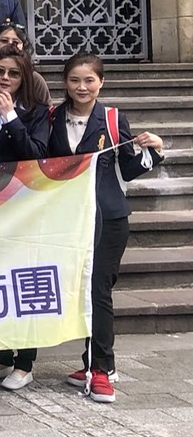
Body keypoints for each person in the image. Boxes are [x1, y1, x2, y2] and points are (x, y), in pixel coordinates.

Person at [48, 53, 164, 404]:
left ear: (101, 82)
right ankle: (89, 363)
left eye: (89, 80)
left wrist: (155, 150)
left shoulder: (113, 119)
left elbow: (127, 169)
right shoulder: (52, 117)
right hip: (66, 219)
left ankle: (101, 369)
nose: (81, 87)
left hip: (109, 218)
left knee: (98, 290)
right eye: (74, 80)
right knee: (77, 290)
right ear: (64, 82)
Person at [0, 46, 51, 392]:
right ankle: (3, 358)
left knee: (22, 282)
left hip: (21, 209)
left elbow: (36, 156)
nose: (5, 78)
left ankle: (25, 362)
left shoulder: (36, 113)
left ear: (25, 78)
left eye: (13, 73)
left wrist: (12, 119)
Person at [0, 23, 51, 104]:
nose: (9, 45)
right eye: (4, 41)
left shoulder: (35, 79)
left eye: (15, 42)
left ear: (23, 46)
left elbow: (47, 110)